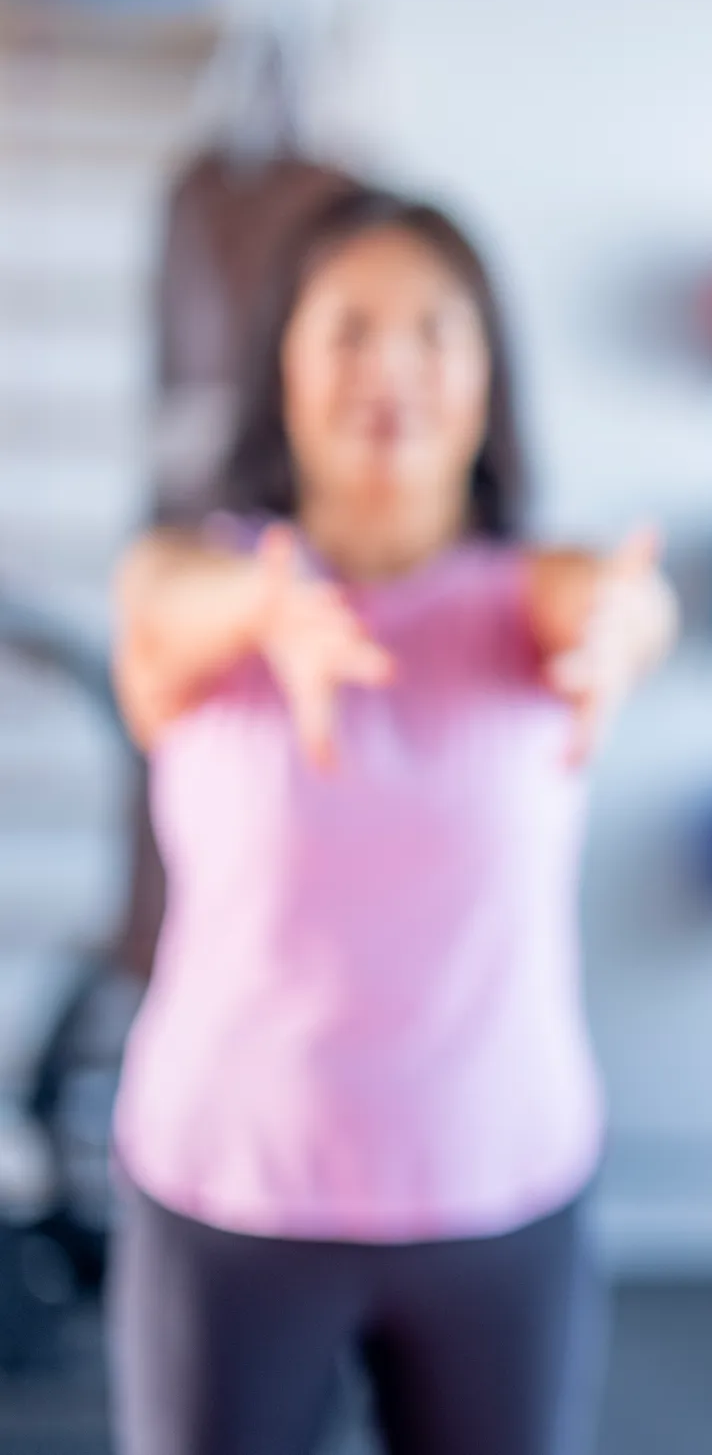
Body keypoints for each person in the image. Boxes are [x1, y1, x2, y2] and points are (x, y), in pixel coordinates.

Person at [106, 188, 677, 1455]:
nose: (393, 368)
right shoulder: (198, 585)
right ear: (284, 369)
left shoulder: (530, 596)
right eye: (350, 330)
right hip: (230, 1191)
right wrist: (269, 611)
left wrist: (624, 631)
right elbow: (157, 607)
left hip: (499, 1189)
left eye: (434, 330)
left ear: (486, 380)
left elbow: (612, 603)